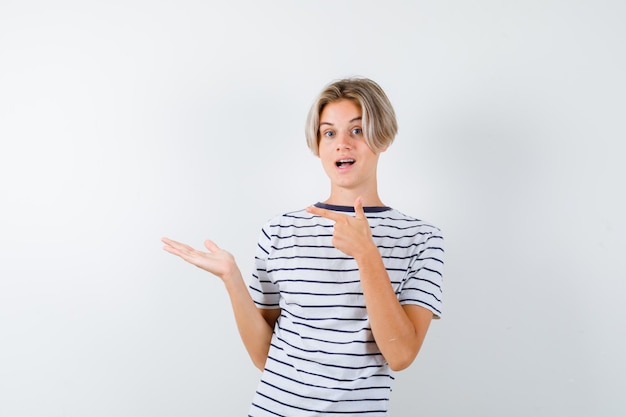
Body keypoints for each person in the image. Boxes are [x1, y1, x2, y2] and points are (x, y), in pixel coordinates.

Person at [162, 77, 444, 416]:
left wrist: (367, 254)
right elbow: (264, 357)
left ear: (382, 137)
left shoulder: (421, 238)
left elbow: (401, 356)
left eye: (357, 130)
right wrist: (232, 279)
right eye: (329, 133)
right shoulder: (280, 231)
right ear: (318, 144)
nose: (342, 144)